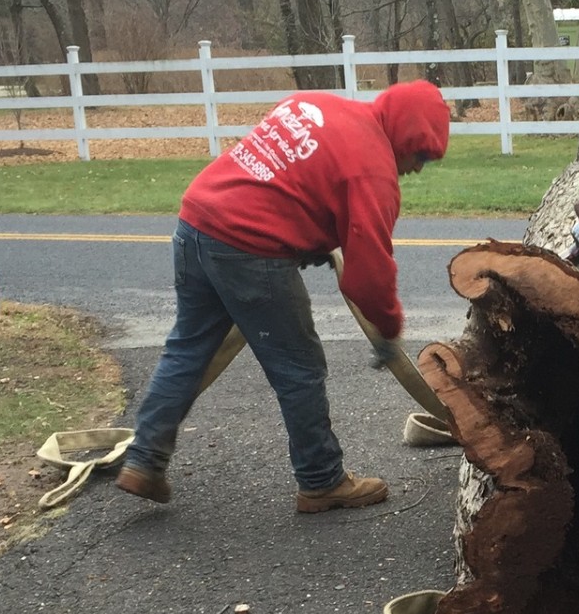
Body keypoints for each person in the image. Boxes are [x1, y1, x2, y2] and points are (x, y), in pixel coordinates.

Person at [116, 79, 450, 512]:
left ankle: (143, 461)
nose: (418, 167)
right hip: (249, 249)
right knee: (299, 367)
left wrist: (309, 241)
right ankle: (322, 480)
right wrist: (388, 331)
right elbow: (370, 272)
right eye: (420, 154)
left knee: (187, 348)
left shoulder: (315, 103)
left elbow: (286, 178)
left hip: (196, 221)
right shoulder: (374, 170)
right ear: (405, 136)